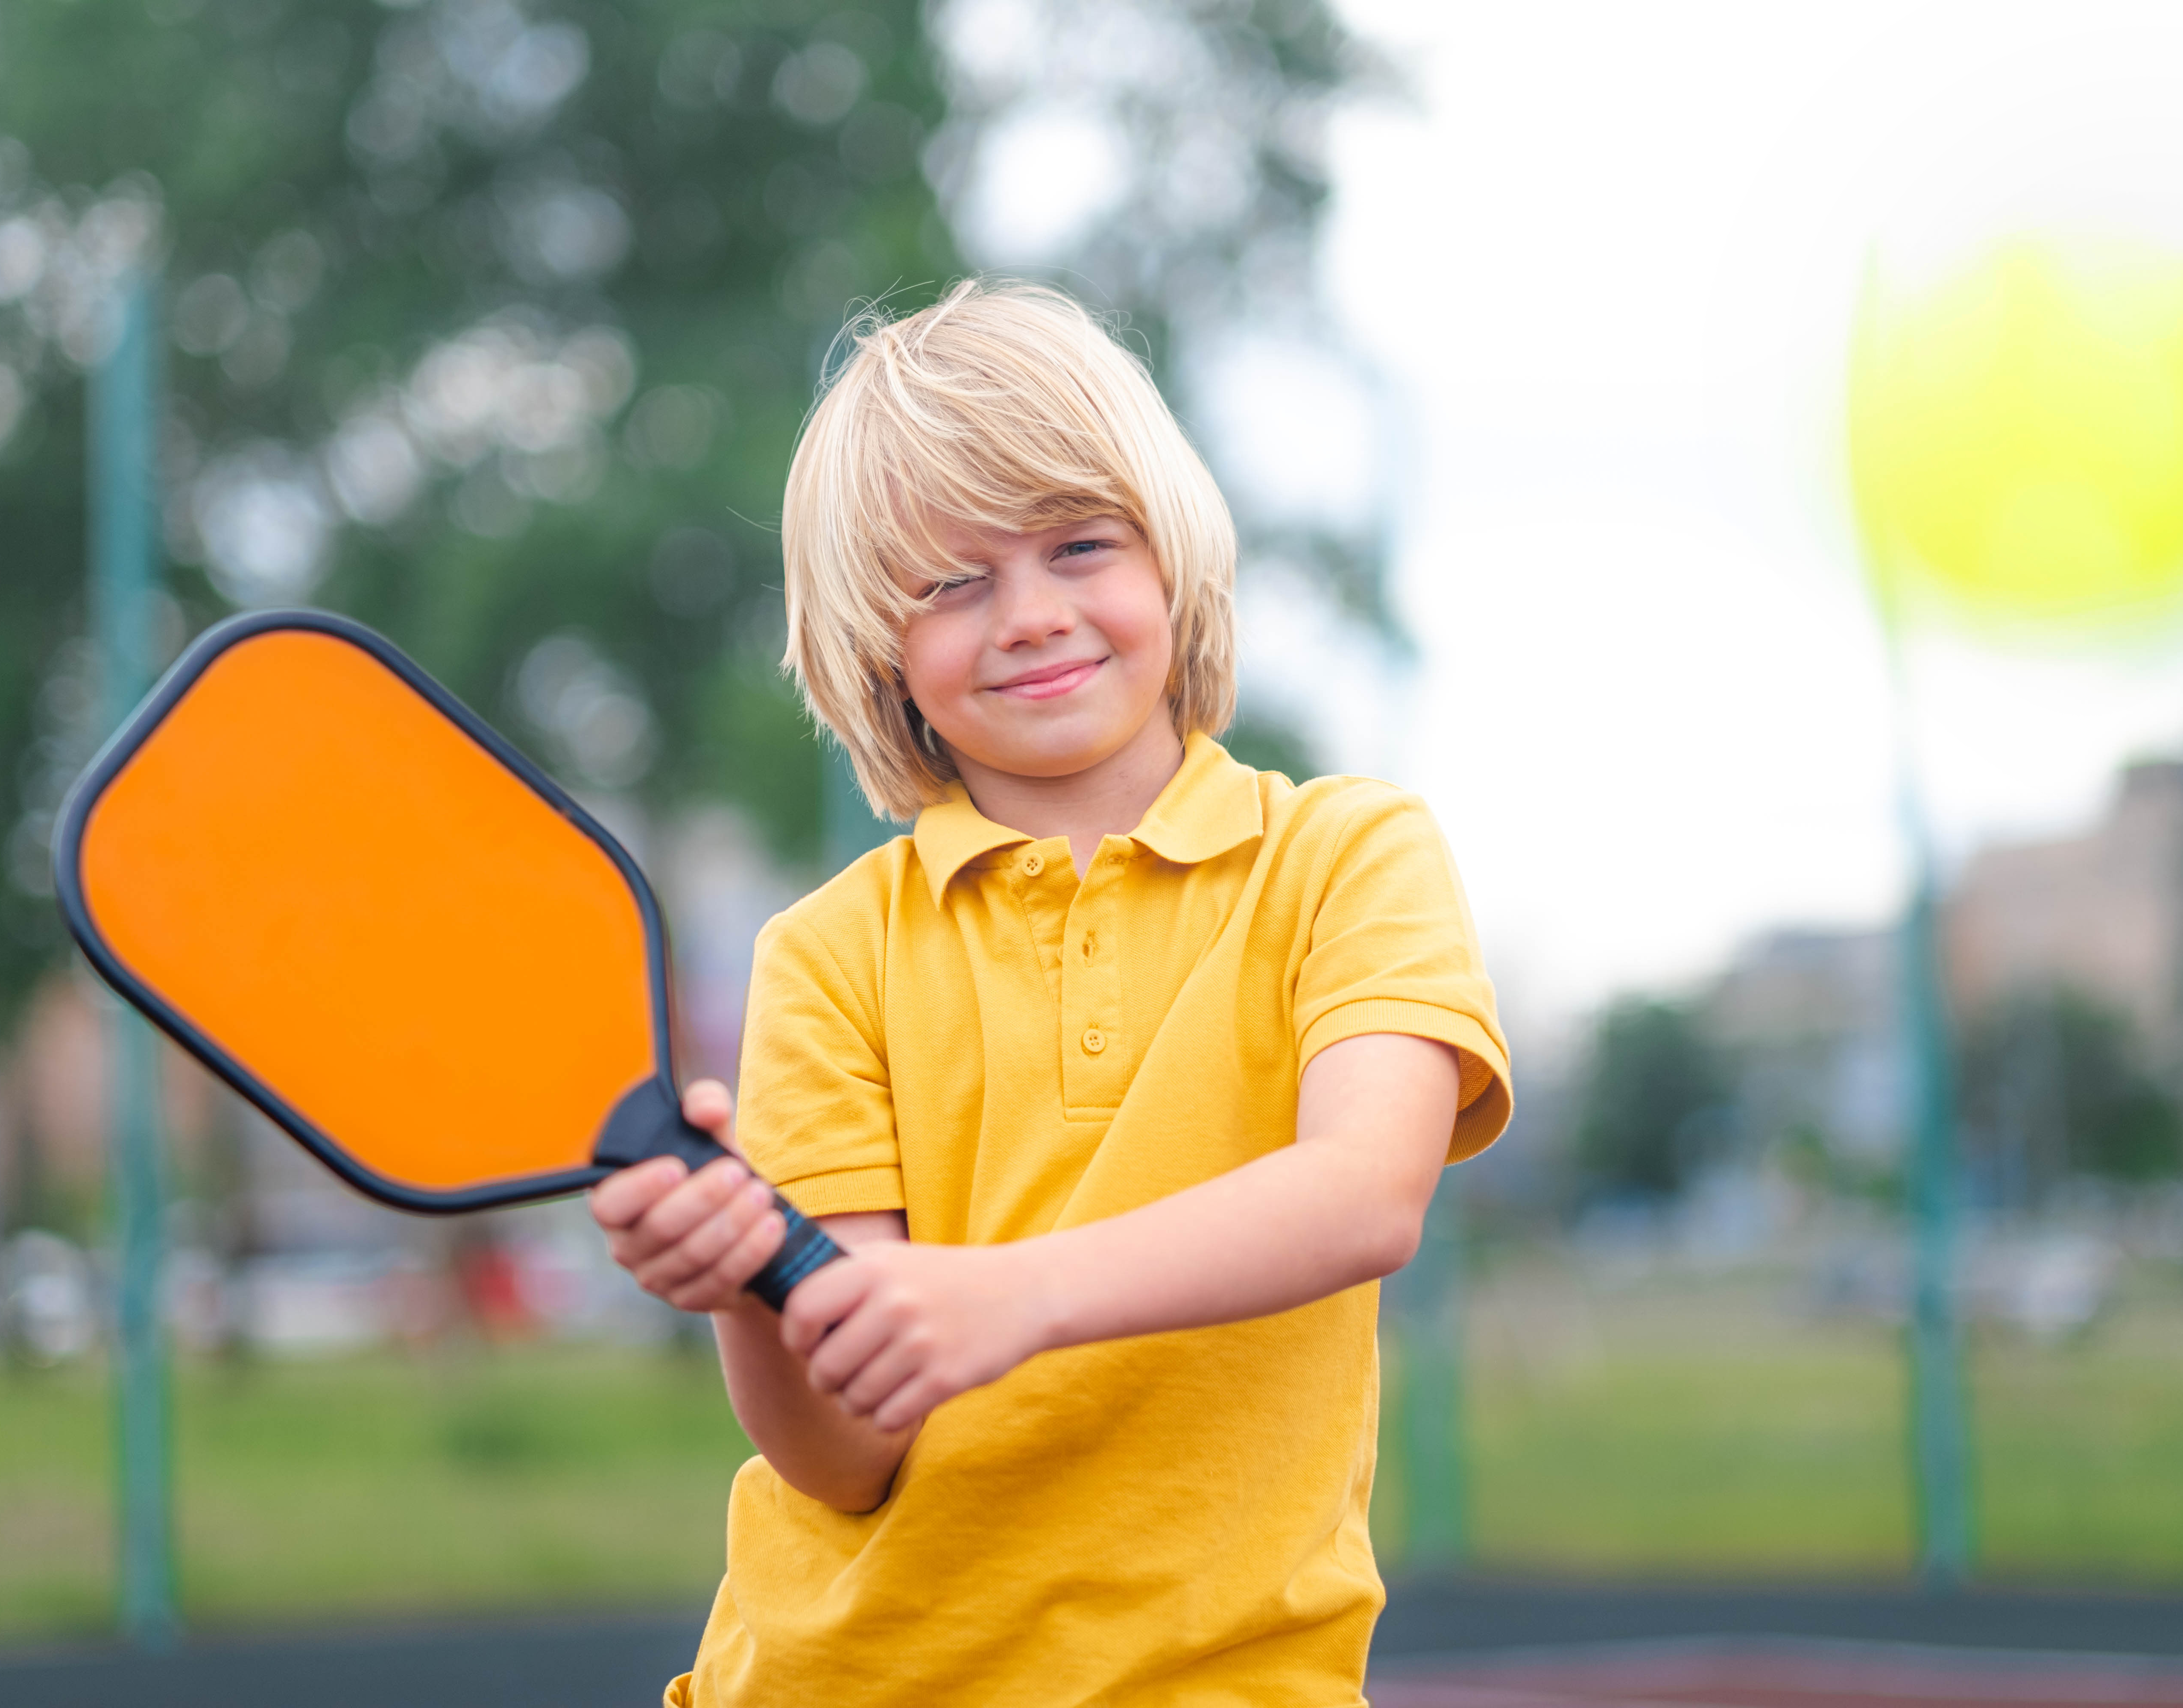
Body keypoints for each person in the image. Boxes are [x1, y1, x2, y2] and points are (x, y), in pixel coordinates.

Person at [589, 280, 1511, 1707]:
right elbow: (840, 1453)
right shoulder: (827, 954)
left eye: (1079, 545)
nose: (1028, 616)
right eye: (951, 582)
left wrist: (1010, 1297)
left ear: (1172, 555)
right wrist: (742, 1293)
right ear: (881, 650)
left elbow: (1364, 1193)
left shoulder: (1349, 857)